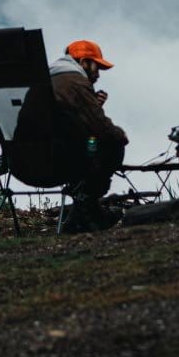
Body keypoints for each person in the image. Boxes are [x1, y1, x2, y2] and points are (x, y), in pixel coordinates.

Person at [47, 38, 129, 232]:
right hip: (65, 156)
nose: (98, 74)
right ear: (84, 62)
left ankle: (82, 211)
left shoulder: (49, 79)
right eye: (96, 67)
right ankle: (87, 207)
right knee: (112, 144)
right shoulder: (75, 81)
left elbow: (69, 122)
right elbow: (101, 129)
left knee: (92, 142)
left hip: (34, 156)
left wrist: (93, 104)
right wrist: (120, 135)